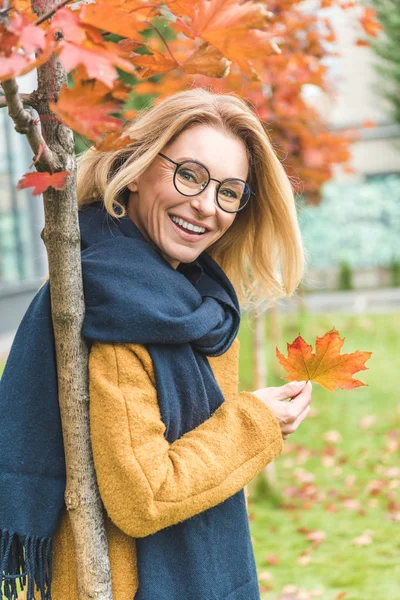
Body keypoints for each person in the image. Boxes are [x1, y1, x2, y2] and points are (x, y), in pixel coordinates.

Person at [0, 88, 312, 600]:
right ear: (138, 168)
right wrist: (256, 423)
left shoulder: (197, 304)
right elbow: (144, 495)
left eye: (230, 192)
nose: (206, 206)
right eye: (189, 175)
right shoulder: (120, 308)